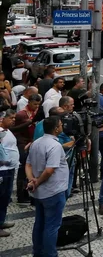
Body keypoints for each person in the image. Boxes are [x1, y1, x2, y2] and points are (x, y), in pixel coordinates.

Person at [26, 116, 69, 257]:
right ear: (56, 128)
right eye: (61, 124)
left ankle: (37, 252)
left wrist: (31, 180)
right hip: (53, 191)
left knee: (40, 223)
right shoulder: (55, 146)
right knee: (52, 226)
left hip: (40, 193)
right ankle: (50, 254)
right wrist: (36, 182)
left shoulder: (36, 143)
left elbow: (28, 164)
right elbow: (50, 170)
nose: (62, 126)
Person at [10, 93, 41, 203]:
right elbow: (13, 129)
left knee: (31, 170)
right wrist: (28, 123)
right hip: (23, 144)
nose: (36, 106)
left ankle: (30, 192)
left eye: (38, 104)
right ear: (29, 103)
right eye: (34, 104)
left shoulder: (36, 112)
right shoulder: (21, 114)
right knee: (23, 170)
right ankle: (21, 195)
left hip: (32, 143)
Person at [0, 109, 18, 237]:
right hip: (2, 171)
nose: (14, 120)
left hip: (9, 170)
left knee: (5, 197)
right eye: (11, 118)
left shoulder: (7, 131)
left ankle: (1, 221)